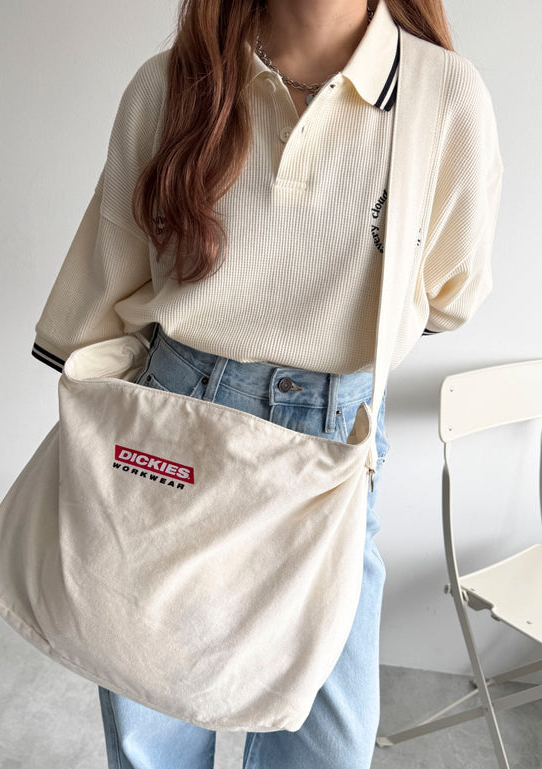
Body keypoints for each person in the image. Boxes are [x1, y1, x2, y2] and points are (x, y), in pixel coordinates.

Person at [31, 0, 503, 766]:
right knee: (151, 732)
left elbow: (452, 289)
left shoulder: (442, 95)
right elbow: (111, 261)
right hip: (170, 422)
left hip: (330, 447)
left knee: (326, 744)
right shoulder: (174, 84)